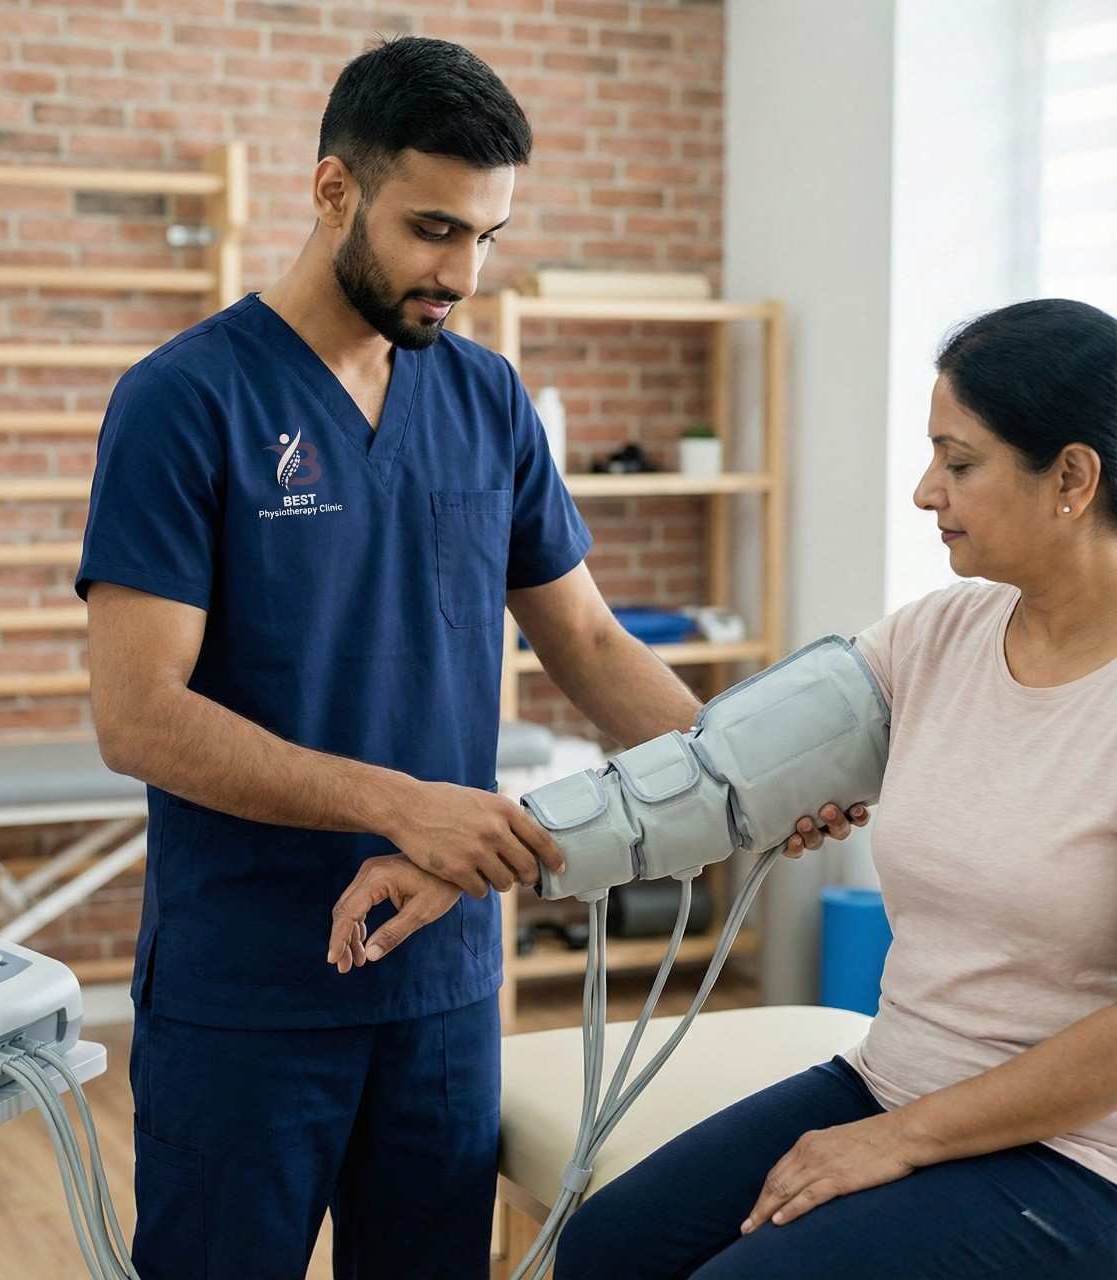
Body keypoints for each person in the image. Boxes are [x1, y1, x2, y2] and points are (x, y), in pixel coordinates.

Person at [80, 35, 848, 1280]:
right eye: (433, 230)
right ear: (333, 190)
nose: (462, 273)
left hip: (440, 987)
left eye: (487, 236)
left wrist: (749, 774)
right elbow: (139, 715)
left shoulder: (485, 397)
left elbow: (589, 641)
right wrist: (401, 805)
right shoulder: (186, 401)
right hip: (250, 989)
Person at [523, 299, 1117, 1279]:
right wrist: (481, 846)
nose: (926, 490)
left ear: (1069, 477)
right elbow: (713, 770)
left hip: (1075, 1157)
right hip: (890, 1079)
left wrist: (902, 1138)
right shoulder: (937, 635)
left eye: (957, 461)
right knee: (605, 1248)